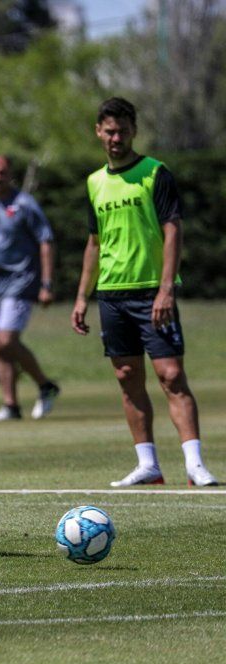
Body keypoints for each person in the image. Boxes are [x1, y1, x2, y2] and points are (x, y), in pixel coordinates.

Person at [71, 96, 218, 488]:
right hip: (112, 295)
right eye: (108, 130)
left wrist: (166, 288)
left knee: (171, 375)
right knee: (126, 375)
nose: (115, 137)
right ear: (98, 133)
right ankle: (148, 465)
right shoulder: (94, 182)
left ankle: (194, 464)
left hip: (153, 290)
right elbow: (94, 243)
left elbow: (173, 230)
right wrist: (83, 296)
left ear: (133, 130)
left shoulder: (155, 173)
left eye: (121, 130)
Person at [0, 154, 60, 423]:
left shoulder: (25, 205)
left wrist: (47, 284)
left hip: (21, 280)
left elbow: (46, 241)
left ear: (10, 175)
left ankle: (44, 384)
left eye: (1, 173)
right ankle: (11, 405)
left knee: (5, 340)